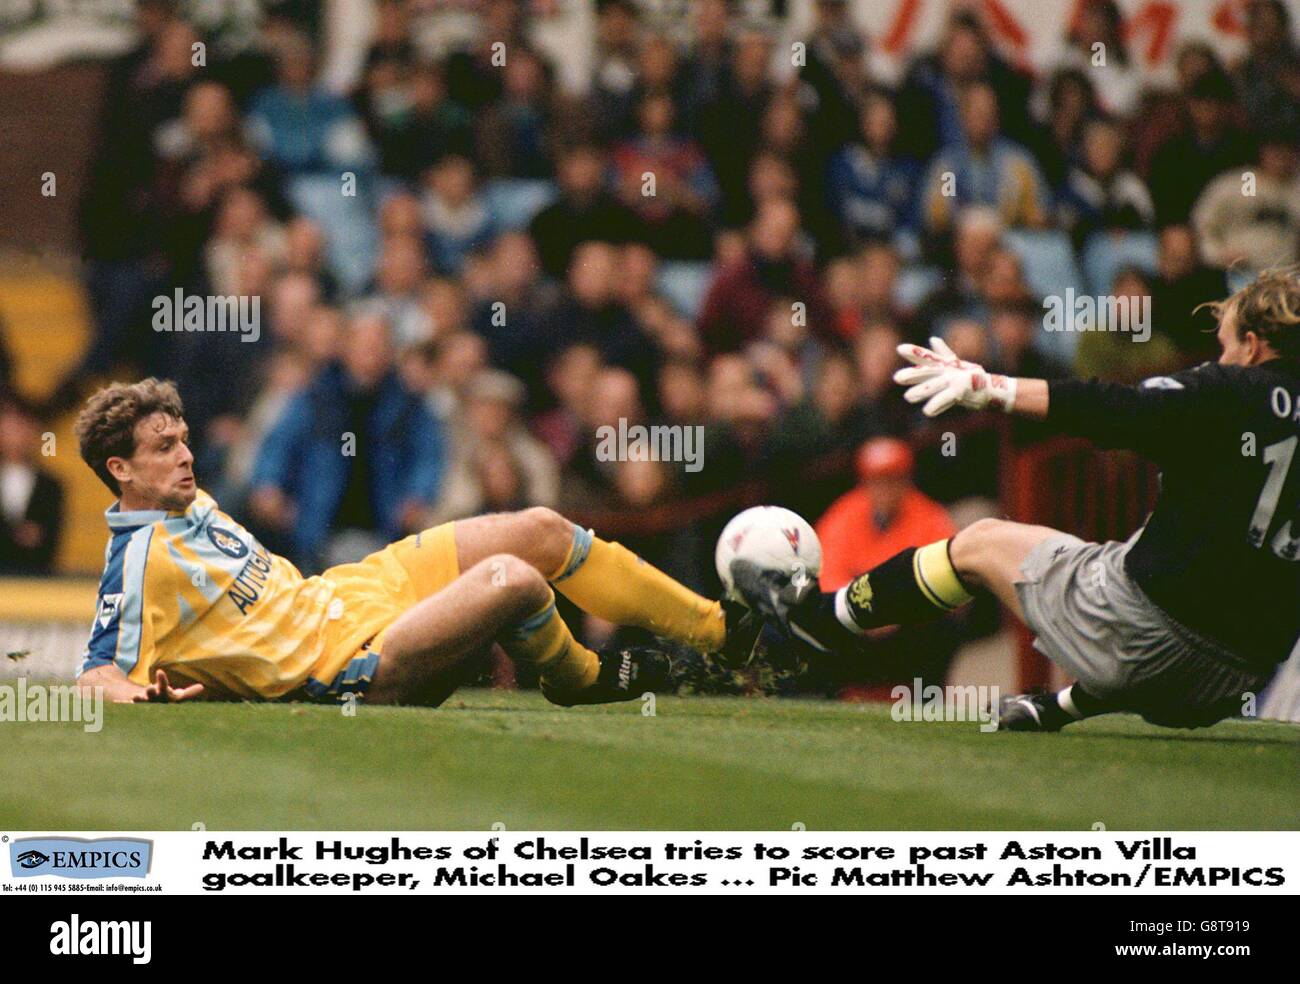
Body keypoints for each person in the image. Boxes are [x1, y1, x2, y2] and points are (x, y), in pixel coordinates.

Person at [732, 266, 1300, 732]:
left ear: (1252, 346)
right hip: (1237, 682)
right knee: (1142, 560)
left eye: (1226, 347)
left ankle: (820, 624)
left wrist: (990, 387)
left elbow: (1116, 409)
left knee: (980, 543)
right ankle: (1058, 707)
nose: (1220, 358)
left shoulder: (1232, 388)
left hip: (1139, 639)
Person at [72, 378, 757, 707]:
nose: (186, 454)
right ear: (121, 471)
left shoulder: (188, 500)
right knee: (516, 580)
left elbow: (225, 641)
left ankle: (725, 632)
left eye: (185, 438)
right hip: (352, 667)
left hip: (352, 590)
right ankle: (578, 677)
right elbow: (95, 674)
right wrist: (140, 699)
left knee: (540, 530)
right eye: (164, 448)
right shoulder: (136, 561)